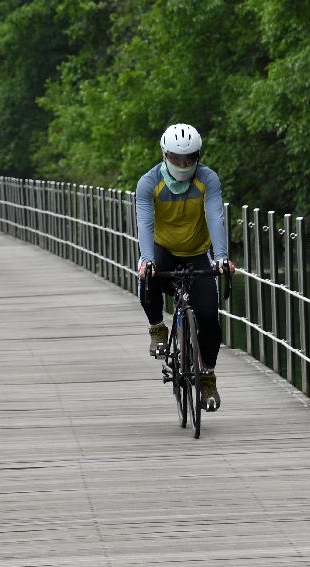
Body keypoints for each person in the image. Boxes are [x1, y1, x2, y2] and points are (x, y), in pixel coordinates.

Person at [136, 123, 235, 412]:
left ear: (198, 156)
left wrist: (221, 257)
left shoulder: (208, 179)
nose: (183, 164)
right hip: (163, 250)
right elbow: (144, 223)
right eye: (177, 158)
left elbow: (215, 215)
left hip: (196, 252)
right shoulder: (148, 182)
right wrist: (147, 258)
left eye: (190, 158)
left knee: (208, 317)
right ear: (165, 155)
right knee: (147, 280)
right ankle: (157, 328)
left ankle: (207, 377)